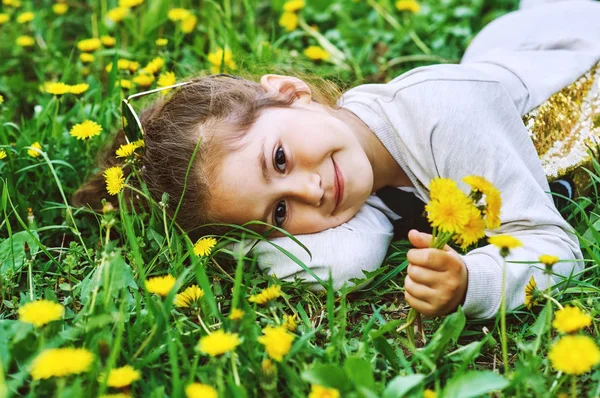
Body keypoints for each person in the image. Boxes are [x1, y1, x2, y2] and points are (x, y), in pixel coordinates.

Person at [74, 0, 600, 320]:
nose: (310, 192)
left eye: (278, 159)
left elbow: (556, 248)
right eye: (278, 214)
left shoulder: (448, 115)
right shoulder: (348, 178)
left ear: (290, 91)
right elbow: (341, 265)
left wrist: (473, 282)